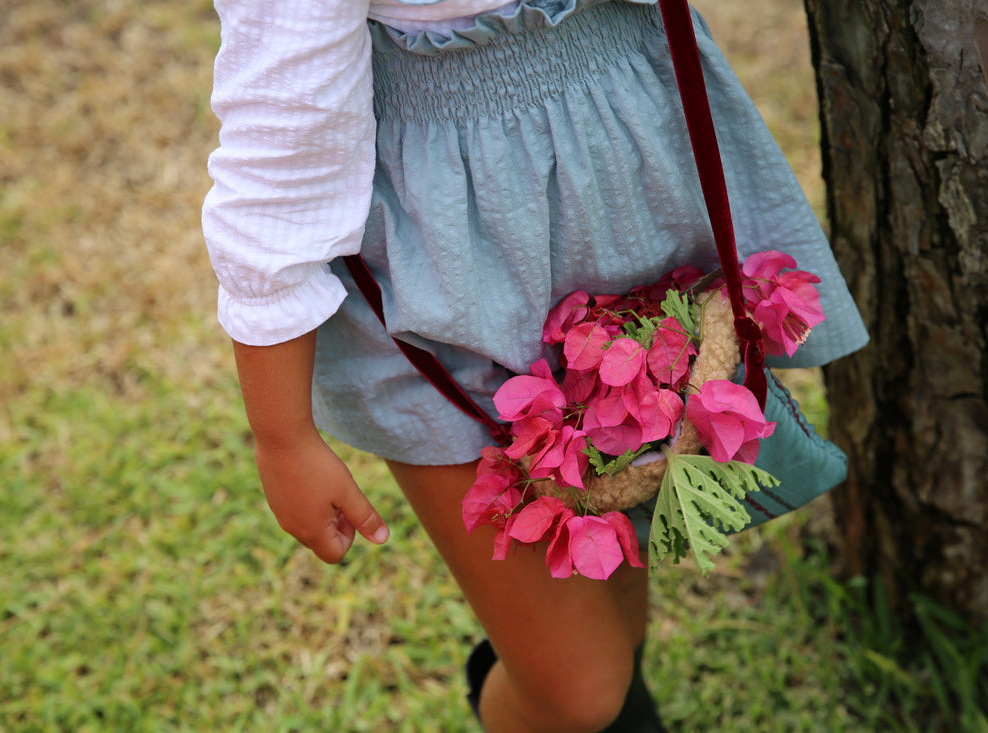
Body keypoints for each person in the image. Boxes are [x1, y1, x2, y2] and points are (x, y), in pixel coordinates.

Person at [202, 1, 869, 730]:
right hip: (448, 282)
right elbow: (280, 145)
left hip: (627, 187)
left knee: (614, 575)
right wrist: (283, 434)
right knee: (576, 689)